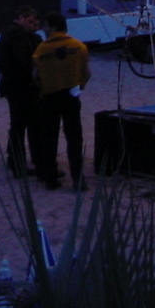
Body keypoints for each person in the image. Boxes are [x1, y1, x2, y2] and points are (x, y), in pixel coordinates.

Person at [30, 12, 91, 190]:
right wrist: (78, 86)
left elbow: (35, 76)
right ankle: (78, 179)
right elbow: (86, 73)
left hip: (49, 97)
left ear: (53, 26)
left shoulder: (41, 50)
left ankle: (50, 178)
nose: (42, 28)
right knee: (74, 138)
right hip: (71, 96)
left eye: (45, 25)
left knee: (49, 138)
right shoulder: (78, 46)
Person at [0, 5, 42, 178]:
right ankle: (19, 162)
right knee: (25, 123)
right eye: (30, 22)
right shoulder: (20, 37)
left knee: (18, 122)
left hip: (11, 84)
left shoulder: (8, 34)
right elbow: (24, 61)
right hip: (22, 85)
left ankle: (14, 159)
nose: (34, 26)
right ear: (21, 19)